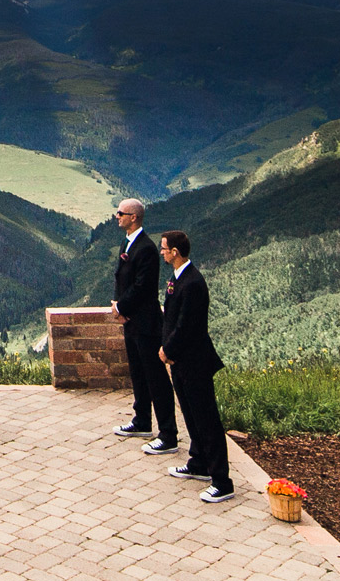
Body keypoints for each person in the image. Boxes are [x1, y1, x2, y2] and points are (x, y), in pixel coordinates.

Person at [157, 230, 231, 502]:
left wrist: (167, 350)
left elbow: (187, 326)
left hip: (195, 361)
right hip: (180, 362)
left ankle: (222, 481)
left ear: (175, 252)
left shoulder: (194, 283)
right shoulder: (177, 279)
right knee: (190, 413)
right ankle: (198, 462)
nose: (162, 252)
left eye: (164, 248)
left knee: (206, 419)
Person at [109, 198, 176, 455]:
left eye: (120, 213)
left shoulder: (146, 248)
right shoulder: (128, 242)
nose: (117, 216)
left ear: (134, 217)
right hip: (131, 321)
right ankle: (142, 421)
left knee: (156, 378)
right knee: (137, 372)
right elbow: (121, 277)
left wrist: (122, 308)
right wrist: (119, 306)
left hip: (146, 322)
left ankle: (168, 433)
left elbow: (142, 286)